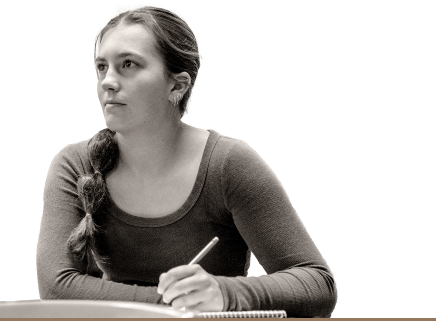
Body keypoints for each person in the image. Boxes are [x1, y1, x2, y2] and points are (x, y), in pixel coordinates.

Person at [36, 3, 338, 317]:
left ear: (177, 85)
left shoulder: (229, 164)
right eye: (102, 66)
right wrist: (175, 307)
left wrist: (224, 293)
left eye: (128, 64)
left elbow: (317, 283)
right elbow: (57, 287)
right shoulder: (75, 165)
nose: (108, 81)